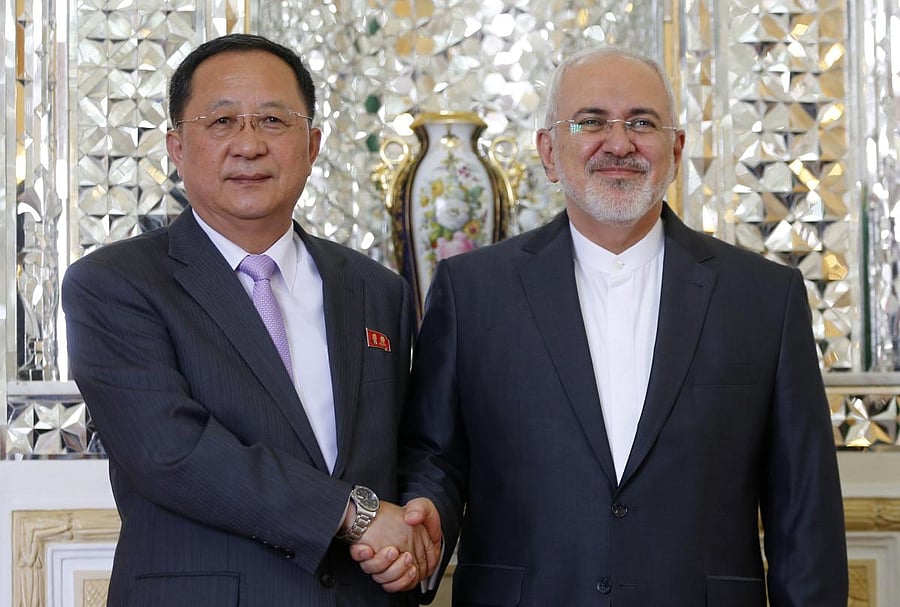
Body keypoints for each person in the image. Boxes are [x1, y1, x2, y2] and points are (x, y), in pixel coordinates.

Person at [357, 46, 849, 605]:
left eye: (642, 122)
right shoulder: (472, 291)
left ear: (675, 149)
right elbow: (435, 457)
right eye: (590, 122)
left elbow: (804, 511)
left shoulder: (764, 297)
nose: (619, 143)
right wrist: (427, 515)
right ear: (549, 151)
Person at [62, 33, 438, 607]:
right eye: (221, 122)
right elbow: (171, 451)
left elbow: (412, 444)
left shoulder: (376, 289)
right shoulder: (115, 284)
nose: (249, 144)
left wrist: (417, 521)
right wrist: (354, 515)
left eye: (273, 120)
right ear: (176, 148)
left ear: (312, 145)